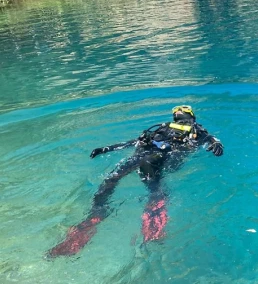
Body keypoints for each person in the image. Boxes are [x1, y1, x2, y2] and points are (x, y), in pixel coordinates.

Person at [48, 105, 224, 258]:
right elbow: (137, 141)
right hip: (147, 157)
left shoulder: (194, 130)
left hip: (152, 158)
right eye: (177, 111)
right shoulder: (166, 128)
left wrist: (216, 144)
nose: (179, 113)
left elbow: (210, 139)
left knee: (120, 180)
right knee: (117, 180)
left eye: (182, 110)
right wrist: (107, 148)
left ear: (190, 115)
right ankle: (96, 217)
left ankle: (101, 216)